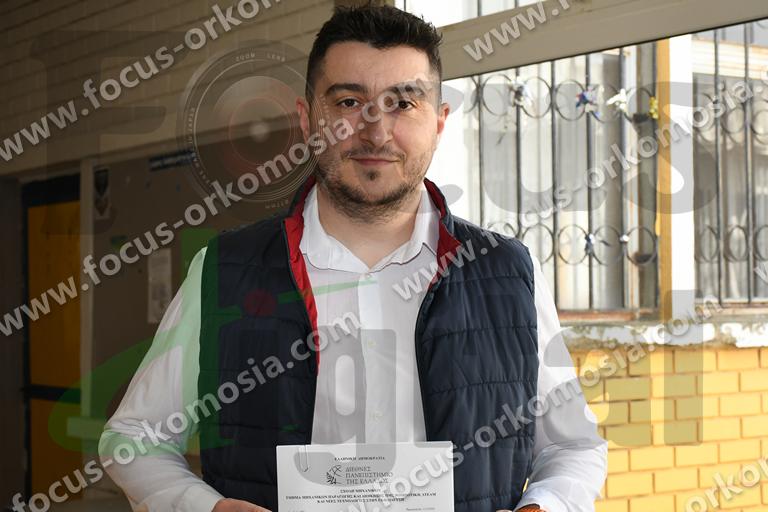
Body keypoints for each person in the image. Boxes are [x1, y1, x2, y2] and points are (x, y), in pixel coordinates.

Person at [99, 5, 607, 512]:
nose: (376, 131)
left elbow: (572, 447)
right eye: (348, 101)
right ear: (307, 119)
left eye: (403, 103)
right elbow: (134, 438)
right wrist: (205, 508)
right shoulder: (224, 270)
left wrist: (545, 506)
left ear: (438, 122)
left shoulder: (508, 273)